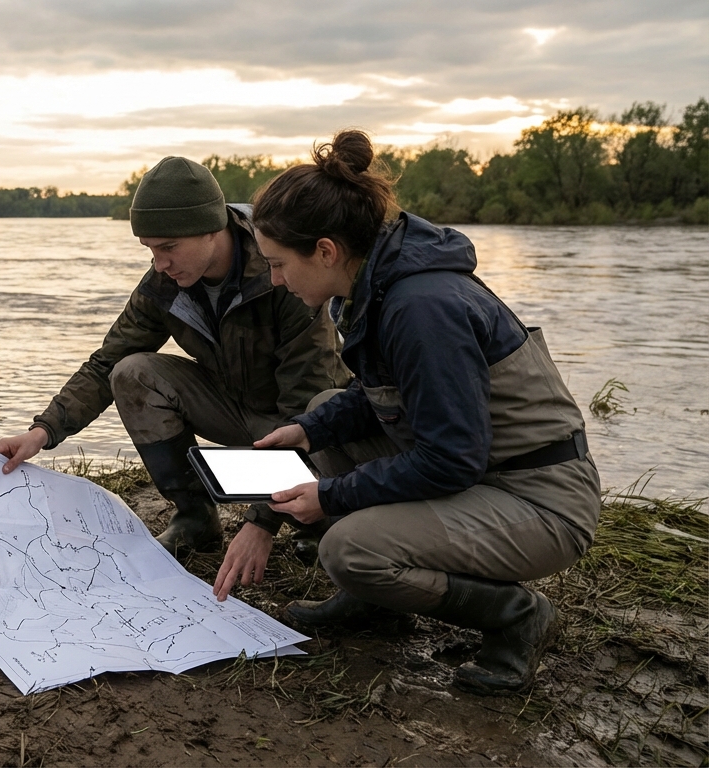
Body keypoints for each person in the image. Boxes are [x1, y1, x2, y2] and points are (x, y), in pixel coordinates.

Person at [213, 129, 600, 695]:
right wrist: (306, 431)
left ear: (326, 251)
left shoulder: (422, 307)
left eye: (278, 264)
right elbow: (380, 395)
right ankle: (377, 602)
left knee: (349, 549)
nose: (274, 279)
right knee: (322, 410)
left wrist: (330, 496)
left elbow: (450, 459)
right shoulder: (374, 284)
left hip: (540, 501)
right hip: (488, 473)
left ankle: (517, 615)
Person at [0, 156, 351, 557]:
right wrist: (42, 432)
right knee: (132, 372)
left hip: (308, 425)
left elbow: (306, 401)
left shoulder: (284, 270)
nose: (159, 264)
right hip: (237, 409)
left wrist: (260, 523)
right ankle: (196, 517)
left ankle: (315, 519)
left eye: (169, 248)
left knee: (322, 419)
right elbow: (106, 362)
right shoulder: (164, 283)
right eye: (149, 249)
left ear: (212, 229)